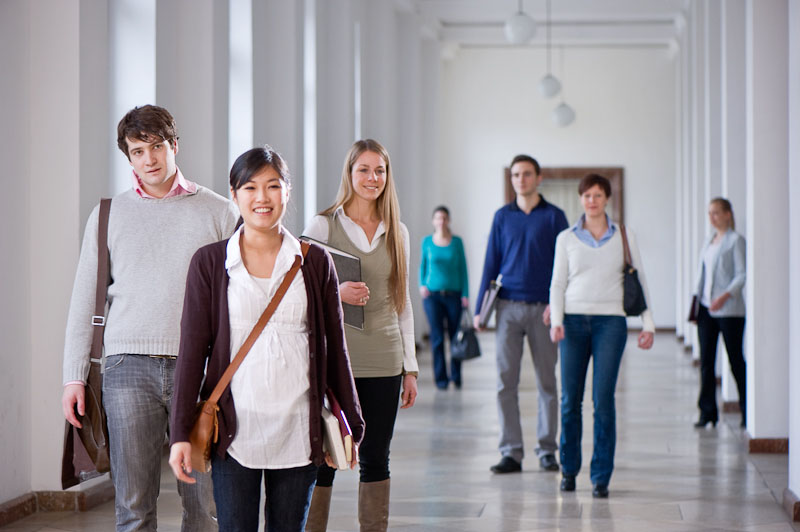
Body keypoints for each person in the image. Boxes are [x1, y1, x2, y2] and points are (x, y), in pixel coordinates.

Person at [168, 146, 365, 532]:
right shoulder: (210, 263)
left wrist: (350, 425)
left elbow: (334, 350)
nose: (262, 198)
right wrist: (179, 434)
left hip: (297, 430)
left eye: (273, 186)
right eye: (250, 187)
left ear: (287, 192)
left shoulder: (315, 262)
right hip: (233, 434)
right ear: (234, 194)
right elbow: (192, 352)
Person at [61, 105, 236, 531]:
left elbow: (244, 294)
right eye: (138, 151)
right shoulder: (107, 215)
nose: (149, 159)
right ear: (128, 156)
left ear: (175, 146)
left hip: (199, 368)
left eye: (157, 147)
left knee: (205, 504)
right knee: (133, 506)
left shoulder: (218, 212)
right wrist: (73, 376)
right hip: (125, 369)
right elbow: (85, 299)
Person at [302, 139, 418, 532]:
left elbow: (403, 303)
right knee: (325, 457)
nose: (372, 178)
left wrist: (411, 367)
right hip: (335, 361)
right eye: (364, 170)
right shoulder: (323, 225)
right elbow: (293, 289)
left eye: (380, 171)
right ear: (349, 174)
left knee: (375, 459)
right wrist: (337, 292)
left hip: (384, 360)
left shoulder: (397, 231)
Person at [549, 173, 655, 498]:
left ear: (607, 198)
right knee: (570, 401)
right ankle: (568, 470)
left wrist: (648, 324)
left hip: (611, 323)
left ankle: (600, 477)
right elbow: (557, 283)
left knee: (603, 401)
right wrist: (556, 320)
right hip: (573, 322)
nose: (592, 201)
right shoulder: (566, 238)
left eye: (597, 195)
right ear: (581, 199)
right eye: (587, 196)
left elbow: (639, 278)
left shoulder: (624, 235)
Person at [474, 154, 568, 474]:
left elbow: (565, 266)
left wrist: (558, 307)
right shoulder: (502, 217)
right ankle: (511, 452)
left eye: (527, 174)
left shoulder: (555, 217)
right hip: (508, 309)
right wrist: (479, 311)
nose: (521, 179)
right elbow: (491, 263)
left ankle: (547, 450)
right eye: (516, 174)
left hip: (544, 309)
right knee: (505, 383)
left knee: (547, 383)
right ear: (511, 179)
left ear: (538, 178)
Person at [692, 197, 746, 428]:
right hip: (706, 309)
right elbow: (702, 273)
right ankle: (707, 413)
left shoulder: (736, 241)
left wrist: (723, 297)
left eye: (716, 212)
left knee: (735, 360)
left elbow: (742, 275)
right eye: (709, 213)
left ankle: (747, 411)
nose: (712, 217)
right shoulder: (709, 240)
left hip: (729, 311)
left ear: (727, 214)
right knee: (706, 362)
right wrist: (698, 300)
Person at [419, 205, 469, 390]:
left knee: (456, 337)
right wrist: (422, 285)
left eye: (444, 218)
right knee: (437, 338)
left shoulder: (457, 242)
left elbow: (463, 268)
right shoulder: (427, 242)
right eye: (438, 218)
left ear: (448, 220)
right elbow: (422, 265)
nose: (441, 221)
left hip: (454, 295)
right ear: (433, 221)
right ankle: (441, 379)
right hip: (432, 296)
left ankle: (456, 376)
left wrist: (465, 294)